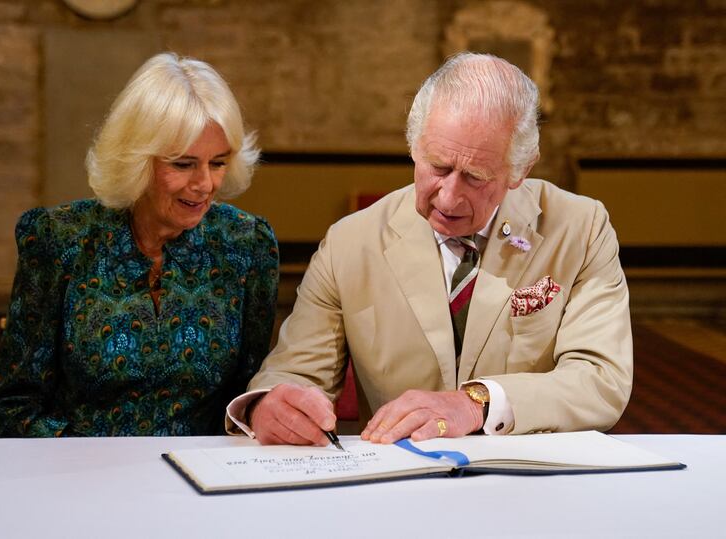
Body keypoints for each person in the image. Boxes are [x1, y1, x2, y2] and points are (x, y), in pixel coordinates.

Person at [226, 52, 632, 446]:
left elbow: (600, 380)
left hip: (532, 482)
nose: (449, 197)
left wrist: (476, 404)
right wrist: (267, 406)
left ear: (520, 170)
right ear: (413, 146)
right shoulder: (351, 243)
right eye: (438, 168)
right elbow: (295, 372)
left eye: (475, 177)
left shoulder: (580, 228)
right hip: (398, 485)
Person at [0, 52, 278, 437]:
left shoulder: (246, 245)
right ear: (137, 160)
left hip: (200, 482)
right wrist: (81, 459)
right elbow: (7, 407)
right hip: (82, 479)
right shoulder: (60, 239)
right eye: (183, 164)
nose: (205, 184)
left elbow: (247, 400)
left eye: (218, 163)